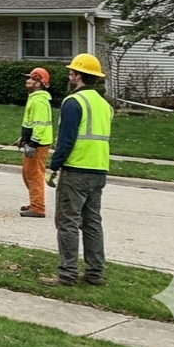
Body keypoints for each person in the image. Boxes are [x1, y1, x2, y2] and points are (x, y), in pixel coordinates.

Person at [39, 53, 112, 287]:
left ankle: (67, 274)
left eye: (72, 73)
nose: (70, 77)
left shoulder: (74, 102)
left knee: (67, 222)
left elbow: (66, 139)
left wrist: (55, 165)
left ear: (78, 76)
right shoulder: (104, 105)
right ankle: (94, 273)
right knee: (92, 222)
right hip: (99, 169)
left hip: (76, 169)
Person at [19, 67, 55, 218]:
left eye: (33, 79)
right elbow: (31, 123)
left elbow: (40, 125)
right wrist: (24, 139)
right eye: (29, 78)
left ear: (40, 83)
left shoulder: (39, 101)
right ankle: (34, 202)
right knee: (27, 174)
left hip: (38, 144)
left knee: (34, 175)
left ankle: (38, 207)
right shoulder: (34, 98)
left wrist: (33, 143)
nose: (28, 81)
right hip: (34, 142)